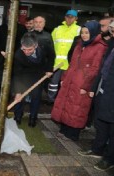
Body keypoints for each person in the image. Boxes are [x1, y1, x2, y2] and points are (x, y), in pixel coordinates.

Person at [51, 20, 107, 141]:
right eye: (82, 32)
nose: (84, 35)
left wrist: (86, 86)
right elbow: (71, 64)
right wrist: (64, 78)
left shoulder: (99, 47)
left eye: (87, 32)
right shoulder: (79, 45)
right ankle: (64, 129)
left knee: (78, 108)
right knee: (67, 104)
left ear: (93, 32)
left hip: (82, 82)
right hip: (71, 78)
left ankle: (73, 133)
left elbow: (95, 69)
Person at [77, 21, 114, 172]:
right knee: (100, 123)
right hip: (103, 91)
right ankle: (97, 149)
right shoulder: (111, 44)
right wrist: (94, 87)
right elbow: (103, 68)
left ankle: (110, 159)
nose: (112, 32)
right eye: (111, 29)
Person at [12, 32, 54, 127]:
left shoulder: (44, 45)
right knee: (20, 97)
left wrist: (49, 69)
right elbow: (17, 74)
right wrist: (18, 92)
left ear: (36, 45)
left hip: (38, 74)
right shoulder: (18, 54)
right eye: (24, 49)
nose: (26, 52)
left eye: (29, 50)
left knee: (36, 96)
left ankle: (33, 117)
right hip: (24, 75)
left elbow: (52, 55)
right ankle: (18, 116)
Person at [48, 10, 81, 103]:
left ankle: (63, 101)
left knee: (67, 84)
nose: (69, 19)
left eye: (72, 17)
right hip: (57, 63)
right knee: (53, 84)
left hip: (70, 64)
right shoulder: (57, 29)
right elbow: (50, 46)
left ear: (76, 19)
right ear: (65, 17)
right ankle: (51, 100)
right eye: (68, 16)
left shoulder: (79, 30)